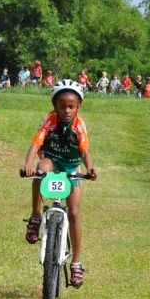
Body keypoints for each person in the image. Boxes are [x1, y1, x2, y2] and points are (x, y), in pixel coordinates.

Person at [23, 80, 97, 288]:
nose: (66, 110)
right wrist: (28, 165)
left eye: (71, 106)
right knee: (40, 169)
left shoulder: (79, 125)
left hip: (72, 166)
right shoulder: (49, 120)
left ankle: (76, 263)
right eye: (62, 106)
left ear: (78, 107)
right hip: (52, 160)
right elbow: (35, 143)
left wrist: (90, 168)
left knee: (74, 212)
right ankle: (36, 217)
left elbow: (84, 151)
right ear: (55, 106)